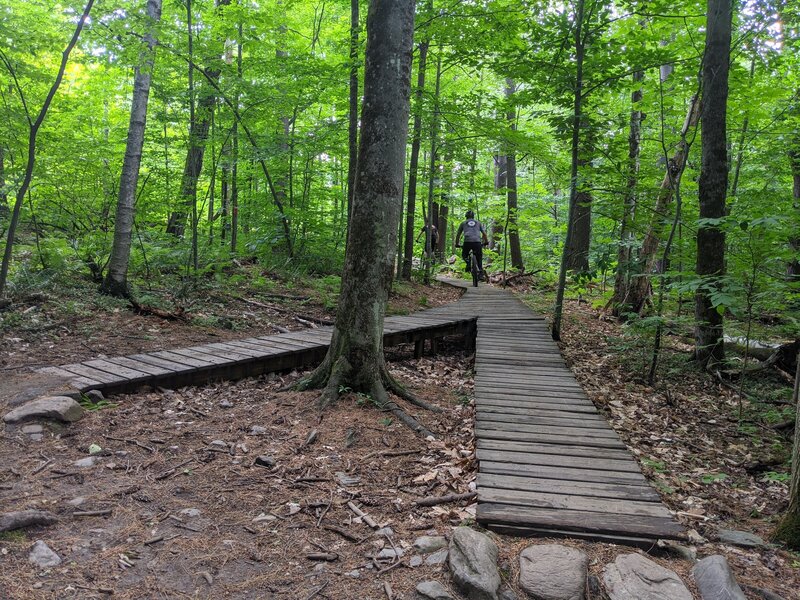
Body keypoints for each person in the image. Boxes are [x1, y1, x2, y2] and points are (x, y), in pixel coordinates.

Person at [454, 209, 488, 275]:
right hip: (477, 242)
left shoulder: (463, 223)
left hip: (467, 242)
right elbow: (484, 233)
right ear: (473, 216)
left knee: (464, 255)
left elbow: (458, 234)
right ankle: (480, 274)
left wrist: (457, 244)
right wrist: (486, 241)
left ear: (466, 216)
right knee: (479, 258)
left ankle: (468, 263)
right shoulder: (478, 223)